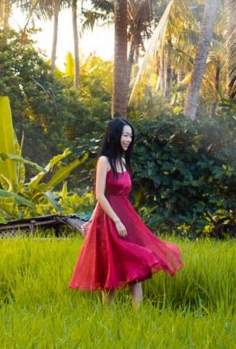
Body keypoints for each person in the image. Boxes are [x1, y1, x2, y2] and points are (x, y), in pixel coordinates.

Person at [68, 118, 181, 306]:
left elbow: (111, 194)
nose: (128, 139)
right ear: (115, 135)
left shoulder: (122, 161)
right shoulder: (104, 161)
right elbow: (100, 194)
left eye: (130, 136)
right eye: (125, 135)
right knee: (110, 267)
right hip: (109, 220)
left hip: (125, 218)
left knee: (137, 262)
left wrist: (119, 220)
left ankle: (137, 318)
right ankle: (109, 318)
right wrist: (112, 220)